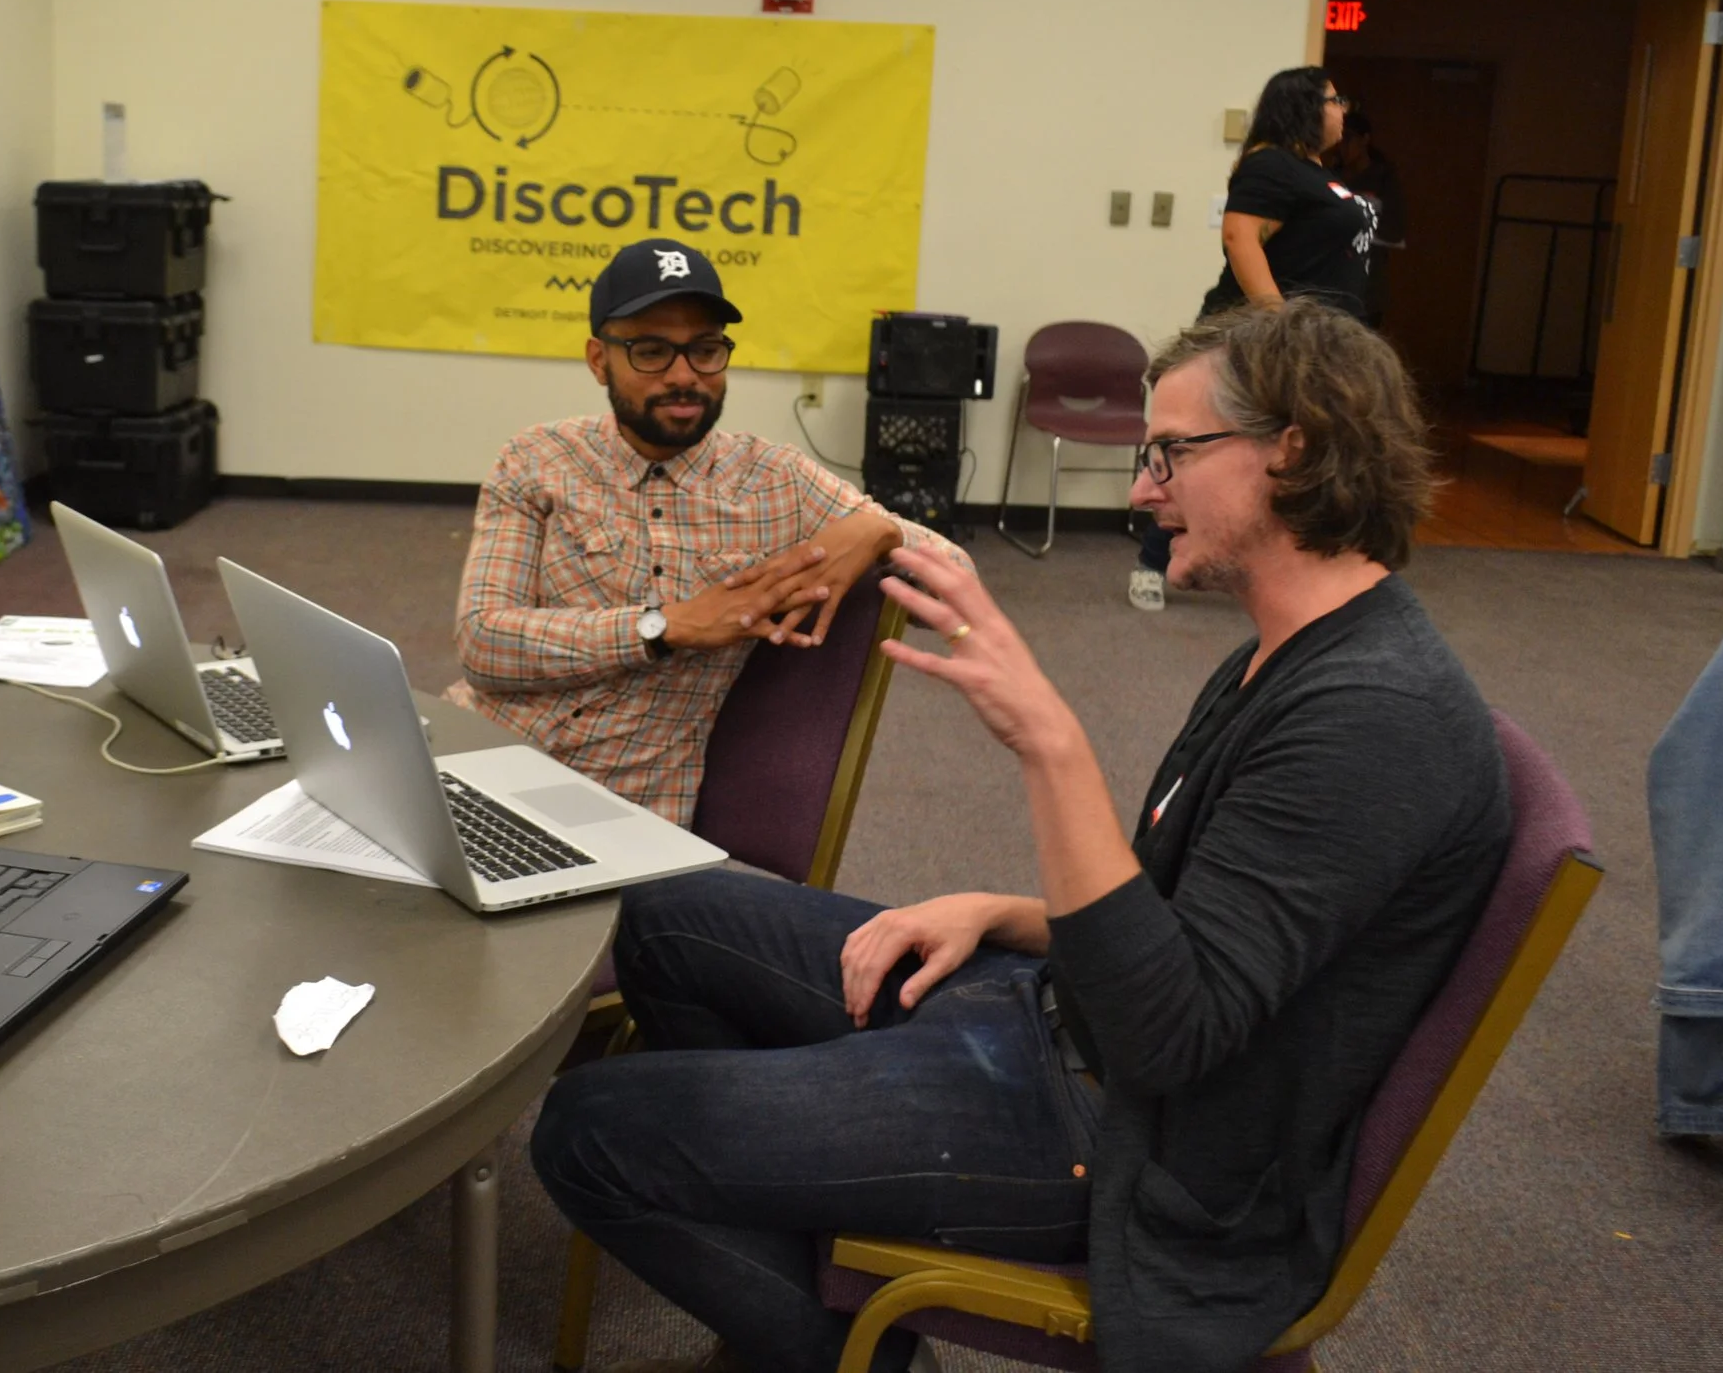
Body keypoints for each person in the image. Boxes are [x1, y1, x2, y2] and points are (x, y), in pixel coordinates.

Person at [532, 300, 1509, 1373]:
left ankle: (840, 1343)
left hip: (1124, 1136)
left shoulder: (1374, 716)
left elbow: (1168, 1034)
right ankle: (794, 1235)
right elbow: (1195, 923)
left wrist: (1050, 742)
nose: (1142, 488)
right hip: (1068, 1019)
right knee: (671, 915)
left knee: (588, 1126)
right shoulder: (1290, 655)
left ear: (1296, 449)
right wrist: (1004, 913)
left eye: (1172, 454)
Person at [446, 239, 969, 824]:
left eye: (705, 350)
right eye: (650, 352)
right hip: (477, 752)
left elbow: (959, 590)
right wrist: (663, 627)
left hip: (618, 808)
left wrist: (880, 532)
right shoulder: (537, 458)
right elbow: (482, 642)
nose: (683, 376)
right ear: (599, 360)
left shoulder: (778, 483)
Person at [1131, 67, 1375, 612]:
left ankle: (1300, 568)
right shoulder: (1271, 164)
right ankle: (1154, 559)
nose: (1343, 110)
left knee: (1302, 455)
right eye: (1336, 100)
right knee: (1221, 452)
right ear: (1303, 107)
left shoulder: (1319, 174)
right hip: (1265, 343)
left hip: (1325, 340)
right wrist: (1277, 325)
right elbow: (1241, 239)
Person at [1331, 109, 1405, 330]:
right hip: (1332, 278)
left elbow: (1394, 231)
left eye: (1349, 138)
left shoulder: (1383, 178)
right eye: (1340, 138)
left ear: (1364, 139)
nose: (1343, 145)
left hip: (1368, 281)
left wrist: (1359, 218)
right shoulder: (1332, 175)